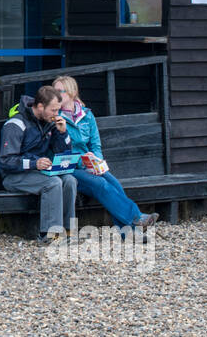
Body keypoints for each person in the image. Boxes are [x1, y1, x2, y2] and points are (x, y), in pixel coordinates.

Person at [53, 76, 158, 232]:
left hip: (88, 166)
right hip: (69, 167)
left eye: (59, 91)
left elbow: (95, 145)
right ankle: (136, 218)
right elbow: (59, 148)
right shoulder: (55, 116)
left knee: (114, 183)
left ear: (71, 93)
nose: (55, 95)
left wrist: (96, 162)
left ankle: (128, 231)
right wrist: (83, 163)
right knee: (100, 184)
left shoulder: (87, 115)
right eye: (53, 91)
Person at [0, 85, 77, 242]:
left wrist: (63, 133)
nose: (57, 114)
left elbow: (62, 152)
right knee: (53, 183)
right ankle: (48, 235)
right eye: (54, 110)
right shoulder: (15, 124)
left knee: (70, 180)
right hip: (13, 176)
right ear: (40, 106)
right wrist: (34, 164)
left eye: (58, 110)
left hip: (38, 173)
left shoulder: (49, 122)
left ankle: (68, 231)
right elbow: (6, 161)